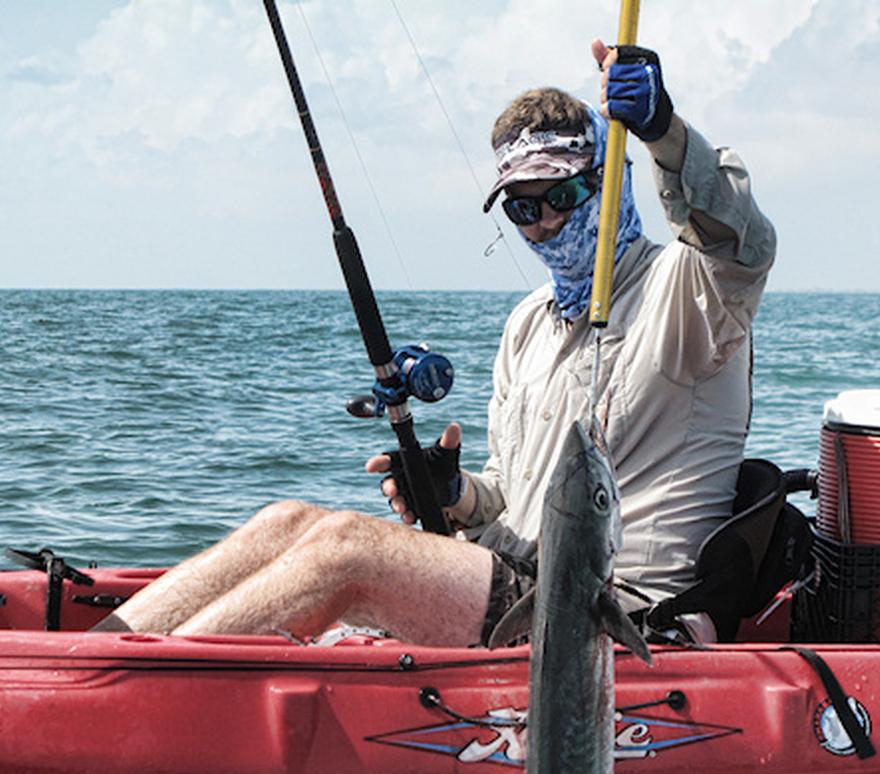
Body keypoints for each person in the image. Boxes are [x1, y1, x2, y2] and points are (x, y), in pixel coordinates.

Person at [95, 39, 775, 645]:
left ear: (608, 180)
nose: (539, 227)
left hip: (609, 614)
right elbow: (509, 495)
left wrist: (666, 134)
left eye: (559, 196)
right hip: (518, 578)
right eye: (520, 207)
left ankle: (113, 698)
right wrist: (454, 494)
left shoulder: (690, 294)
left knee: (344, 548)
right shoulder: (529, 323)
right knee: (285, 519)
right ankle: (79, 664)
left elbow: (743, 239)